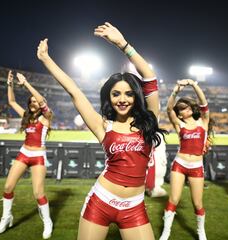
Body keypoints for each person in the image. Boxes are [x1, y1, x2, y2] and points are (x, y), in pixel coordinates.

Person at [37, 22, 166, 240]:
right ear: (109, 97)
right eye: (116, 94)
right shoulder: (102, 125)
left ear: (136, 97)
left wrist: (123, 45)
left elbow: (149, 77)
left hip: (134, 207)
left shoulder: (149, 121)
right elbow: (74, 91)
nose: (122, 99)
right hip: (101, 202)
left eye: (128, 94)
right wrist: (46, 59)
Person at [0, 71, 53, 239]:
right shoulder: (25, 116)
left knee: (38, 193)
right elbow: (11, 101)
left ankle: (47, 221)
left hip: (38, 156)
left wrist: (26, 83)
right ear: (29, 103)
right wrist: (9, 84)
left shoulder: (46, 117)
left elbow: (42, 101)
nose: (34, 102)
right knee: (7, 187)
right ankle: (6, 217)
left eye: (37, 101)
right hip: (24, 153)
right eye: (32, 101)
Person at [160, 79, 210, 240]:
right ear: (180, 113)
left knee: (197, 203)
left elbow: (203, 103)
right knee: (173, 199)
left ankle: (201, 232)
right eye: (181, 108)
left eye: (186, 106)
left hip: (197, 166)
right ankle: (166, 232)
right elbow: (168, 108)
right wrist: (175, 91)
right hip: (179, 164)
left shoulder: (203, 122)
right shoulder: (179, 124)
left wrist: (193, 84)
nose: (185, 109)